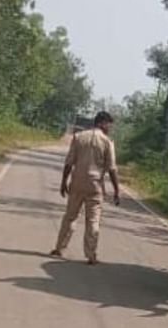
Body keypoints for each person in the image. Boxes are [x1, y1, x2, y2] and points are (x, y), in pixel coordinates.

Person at [51, 111, 121, 264]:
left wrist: (64, 182)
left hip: (77, 182)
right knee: (93, 220)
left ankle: (59, 248)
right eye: (109, 125)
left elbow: (69, 162)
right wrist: (116, 190)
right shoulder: (107, 141)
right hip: (95, 185)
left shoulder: (79, 137)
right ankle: (91, 255)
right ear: (102, 123)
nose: (110, 128)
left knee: (70, 216)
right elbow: (112, 168)